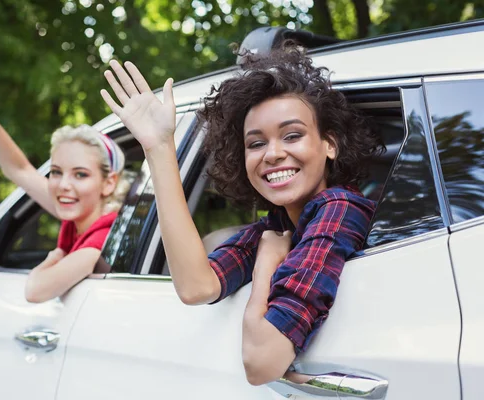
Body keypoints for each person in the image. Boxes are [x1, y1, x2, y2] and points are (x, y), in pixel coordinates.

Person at [100, 44, 383, 385]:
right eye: (256, 143)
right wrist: (159, 148)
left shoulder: (340, 207)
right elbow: (197, 287)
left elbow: (261, 362)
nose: (273, 154)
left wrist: (265, 266)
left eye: (292, 135)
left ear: (330, 144)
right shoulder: (277, 225)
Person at [0, 39, 130, 303]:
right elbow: (18, 169)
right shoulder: (78, 213)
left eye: (80, 174)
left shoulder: (100, 239)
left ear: (108, 183)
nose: (63, 184)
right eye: (56, 172)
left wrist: (53, 258)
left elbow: (35, 291)